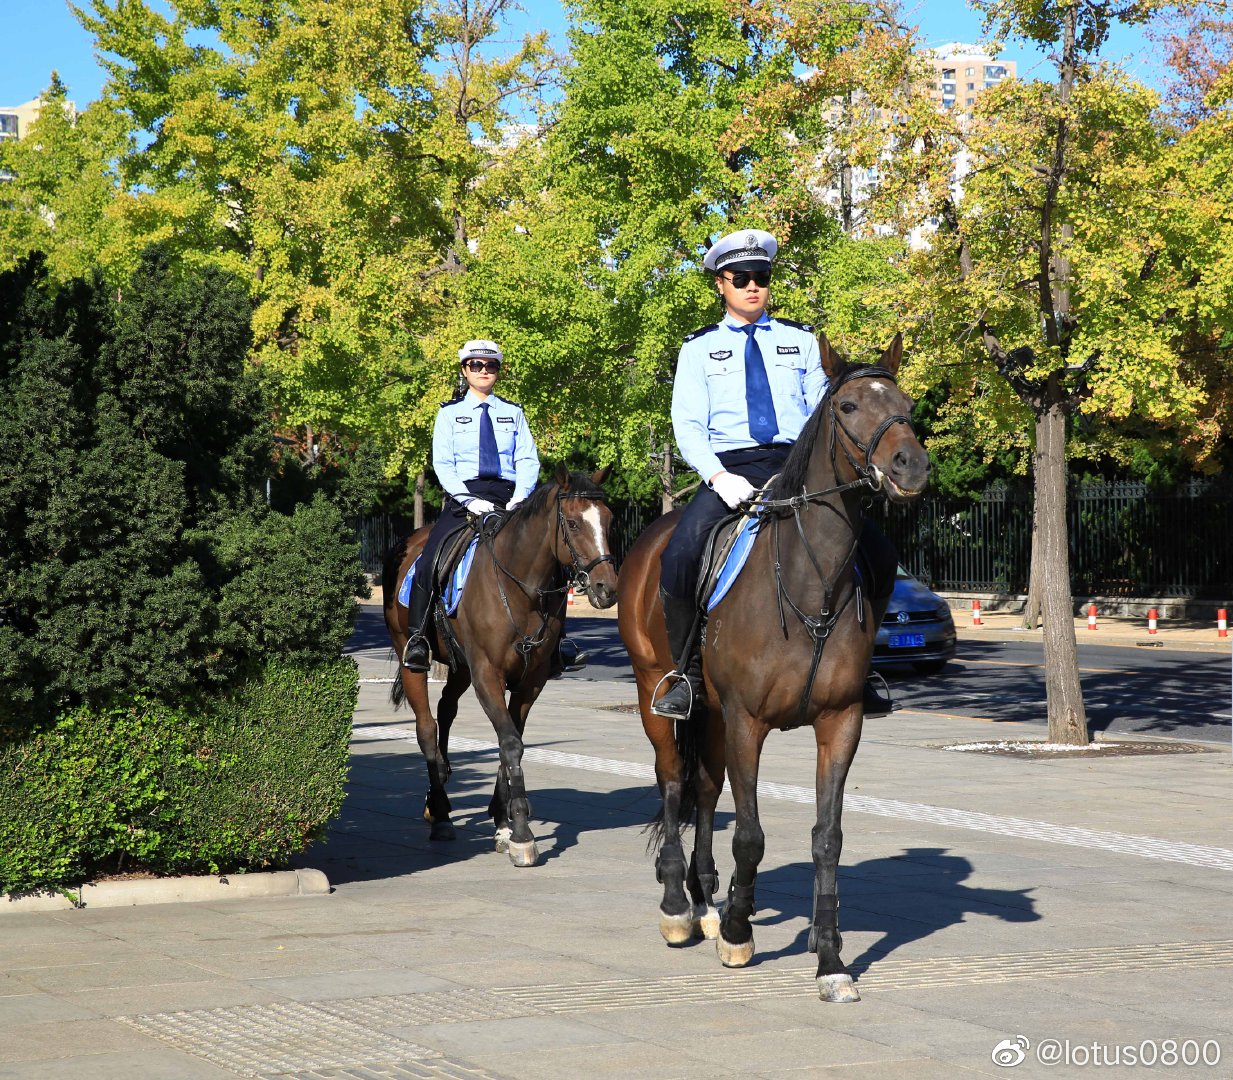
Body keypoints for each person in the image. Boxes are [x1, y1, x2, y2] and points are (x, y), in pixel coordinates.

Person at [652, 228, 899, 720]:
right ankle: (687, 675)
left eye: (761, 277)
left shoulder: (800, 341)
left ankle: (861, 666)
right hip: (731, 470)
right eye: (741, 277)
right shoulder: (698, 348)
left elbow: (823, 412)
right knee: (679, 556)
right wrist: (717, 476)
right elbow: (688, 424)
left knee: (880, 554)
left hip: (796, 466)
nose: (752, 286)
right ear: (721, 283)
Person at [401, 339, 540, 672]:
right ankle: (418, 639)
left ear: (498, 371)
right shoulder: (449, 413)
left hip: (508, 497)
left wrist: (520, 497)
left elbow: (527, 459)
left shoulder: (513, 412)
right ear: (465, 370)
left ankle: (558, 642)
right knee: (430, 559)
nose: (484, 371)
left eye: (490, 366)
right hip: (464, 499)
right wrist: (469, 500)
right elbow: (443, 463)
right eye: (476, 365)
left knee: (547, 554)